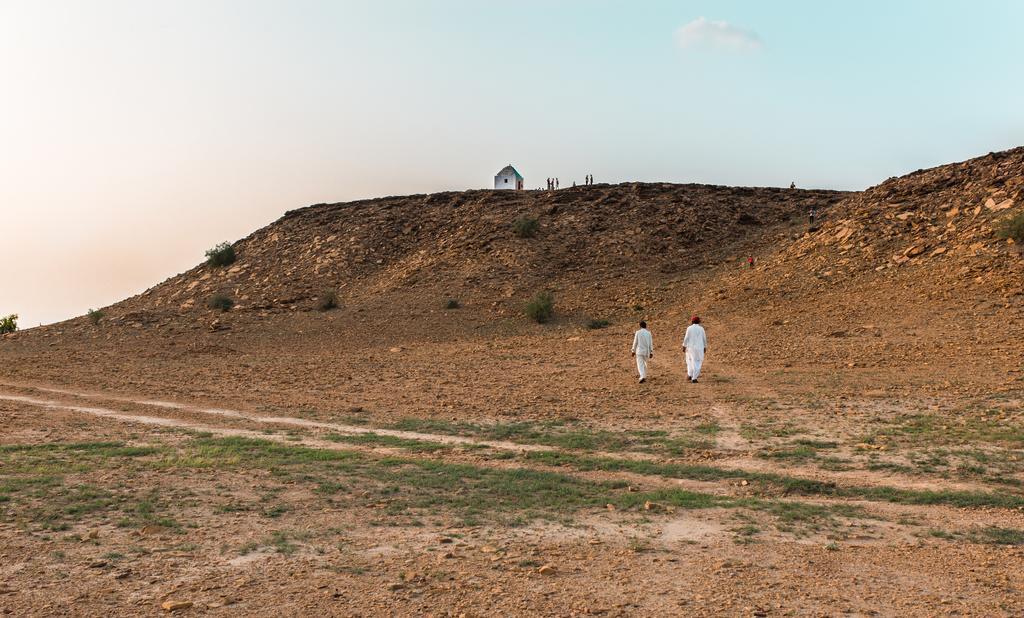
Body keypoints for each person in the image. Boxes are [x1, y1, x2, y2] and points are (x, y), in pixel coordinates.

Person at [682, 316, 707, 384]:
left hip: (690, 348)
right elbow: (704, 339)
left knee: (689, 360)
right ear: (699, 322)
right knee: (698, 362)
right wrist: (705, 347)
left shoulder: (689, 328)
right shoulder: (701, 329)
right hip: (699, 348)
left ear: (692, 321)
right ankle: (694, 378)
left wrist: (684, 346)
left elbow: (686, 338)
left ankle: (690, 374)